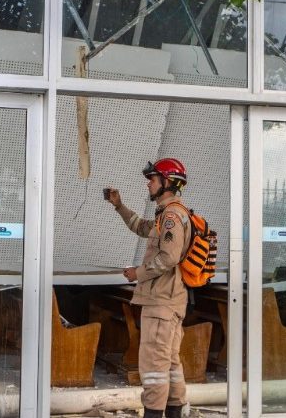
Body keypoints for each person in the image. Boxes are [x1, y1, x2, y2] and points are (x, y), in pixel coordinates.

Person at [105, 158, 192, 418]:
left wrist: (137, 273)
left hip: (162, 304)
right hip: (168, 301)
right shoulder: (164, 215)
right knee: (170, 364)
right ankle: (175, 412)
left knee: (154, 367)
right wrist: (119, 206)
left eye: (152, 179)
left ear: (167, 182)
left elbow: (168, 257)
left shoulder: (172, 217)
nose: (148, 184)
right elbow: (141, 227)